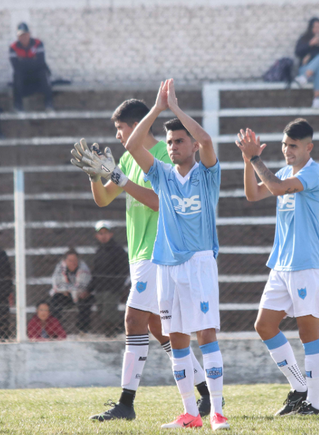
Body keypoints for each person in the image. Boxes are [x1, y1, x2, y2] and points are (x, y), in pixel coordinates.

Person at [71, 99, 214, 422]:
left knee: (134, 320)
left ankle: (126, 402)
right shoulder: (126, 157)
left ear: (135, 126)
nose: (119, 136)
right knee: (158, 327)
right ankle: (204, 391)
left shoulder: (164, 155)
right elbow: (104, 199)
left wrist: (120, 178)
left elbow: (160, 203)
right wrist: (95, 175)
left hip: (158, 251)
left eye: (121, 129)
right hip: (140, 254)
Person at [123, 79, 228, 430]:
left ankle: (217, 411)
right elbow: (133, 143)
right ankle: (189, 412)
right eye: (168, 142)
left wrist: (177, 109)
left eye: (179, 140)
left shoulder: (207, 174)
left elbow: (209, 141)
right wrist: (156, 109)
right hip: (166, 265)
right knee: (177, 340)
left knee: (207, 336)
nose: (172, 146)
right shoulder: (162, 175)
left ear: (192, 144)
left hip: (199, 263)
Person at [235, 120, 319, 416]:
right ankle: (299, 388)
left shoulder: (314, 172)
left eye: (293, 146)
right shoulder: (286, 172)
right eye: (284, 145)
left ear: (308, 147)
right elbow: (253, 194)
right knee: (264, 325)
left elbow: (274, 188)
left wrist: (255, 158)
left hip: (307, 265)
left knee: (308, 333)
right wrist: (247, 162)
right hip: (282, 264)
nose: (287, 151)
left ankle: (315, 403)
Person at [89, 221, 130, 336]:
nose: (103, 236)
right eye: (100, 233)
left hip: (112, 288)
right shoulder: (99, 251)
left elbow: (124, 269)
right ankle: (113, 331)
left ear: (111, 234)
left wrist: (117, 286)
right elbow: (96, 271)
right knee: (102, 311)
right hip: (100, 288)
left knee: (109, 312)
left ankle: (114, 332)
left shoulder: (118, 250)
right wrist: (90, 288)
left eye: (106, 233)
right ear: (96, 236)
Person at [9, 22, 53, 112]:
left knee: (44, 73)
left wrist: (23, 61)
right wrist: (33, 60)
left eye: (25, 34)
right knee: (16, 76)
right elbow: (15, 66)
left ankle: (49, 104)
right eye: (21, 35)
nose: (23, 37)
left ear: (29, 34)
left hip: (37, 74)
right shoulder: (13, 47)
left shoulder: (38, 43)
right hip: (23, 76)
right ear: (18, 36)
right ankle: (18, 106)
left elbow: (41, 62)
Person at [294, 17, 319, 108]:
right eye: (314, 27)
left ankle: (304, 77)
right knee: (318, 70)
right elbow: (297, 52)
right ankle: (317, 98)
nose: (317, 29)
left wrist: (310, 56)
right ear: (310, 28)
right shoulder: (304, 40)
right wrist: (310, 44)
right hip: (307, 70)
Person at [49, 248, 92, 332]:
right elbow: (57, 283)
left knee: (86, 301)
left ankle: (83, 330)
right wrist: (66, 291)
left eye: (75, 260)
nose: (73, 263)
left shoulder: (83, 268)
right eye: (70, 260)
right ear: (65, 261)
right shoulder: (60, 268)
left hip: (80, 294)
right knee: (55, 300)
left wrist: (70, 290)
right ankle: (54, 328)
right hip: (65, 294)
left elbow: (83, 286)